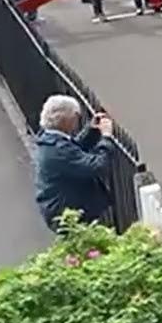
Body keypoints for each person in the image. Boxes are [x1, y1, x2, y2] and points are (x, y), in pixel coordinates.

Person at [33, 95, 115, 232]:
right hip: (68, 215)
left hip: (60, 208)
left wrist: (92, 131)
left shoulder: (50, 139)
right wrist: (106, 138)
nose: (78, 119)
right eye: (76, 115)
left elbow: (74, 150)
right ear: (65, 119)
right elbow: (96, 166)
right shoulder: (58, 150)